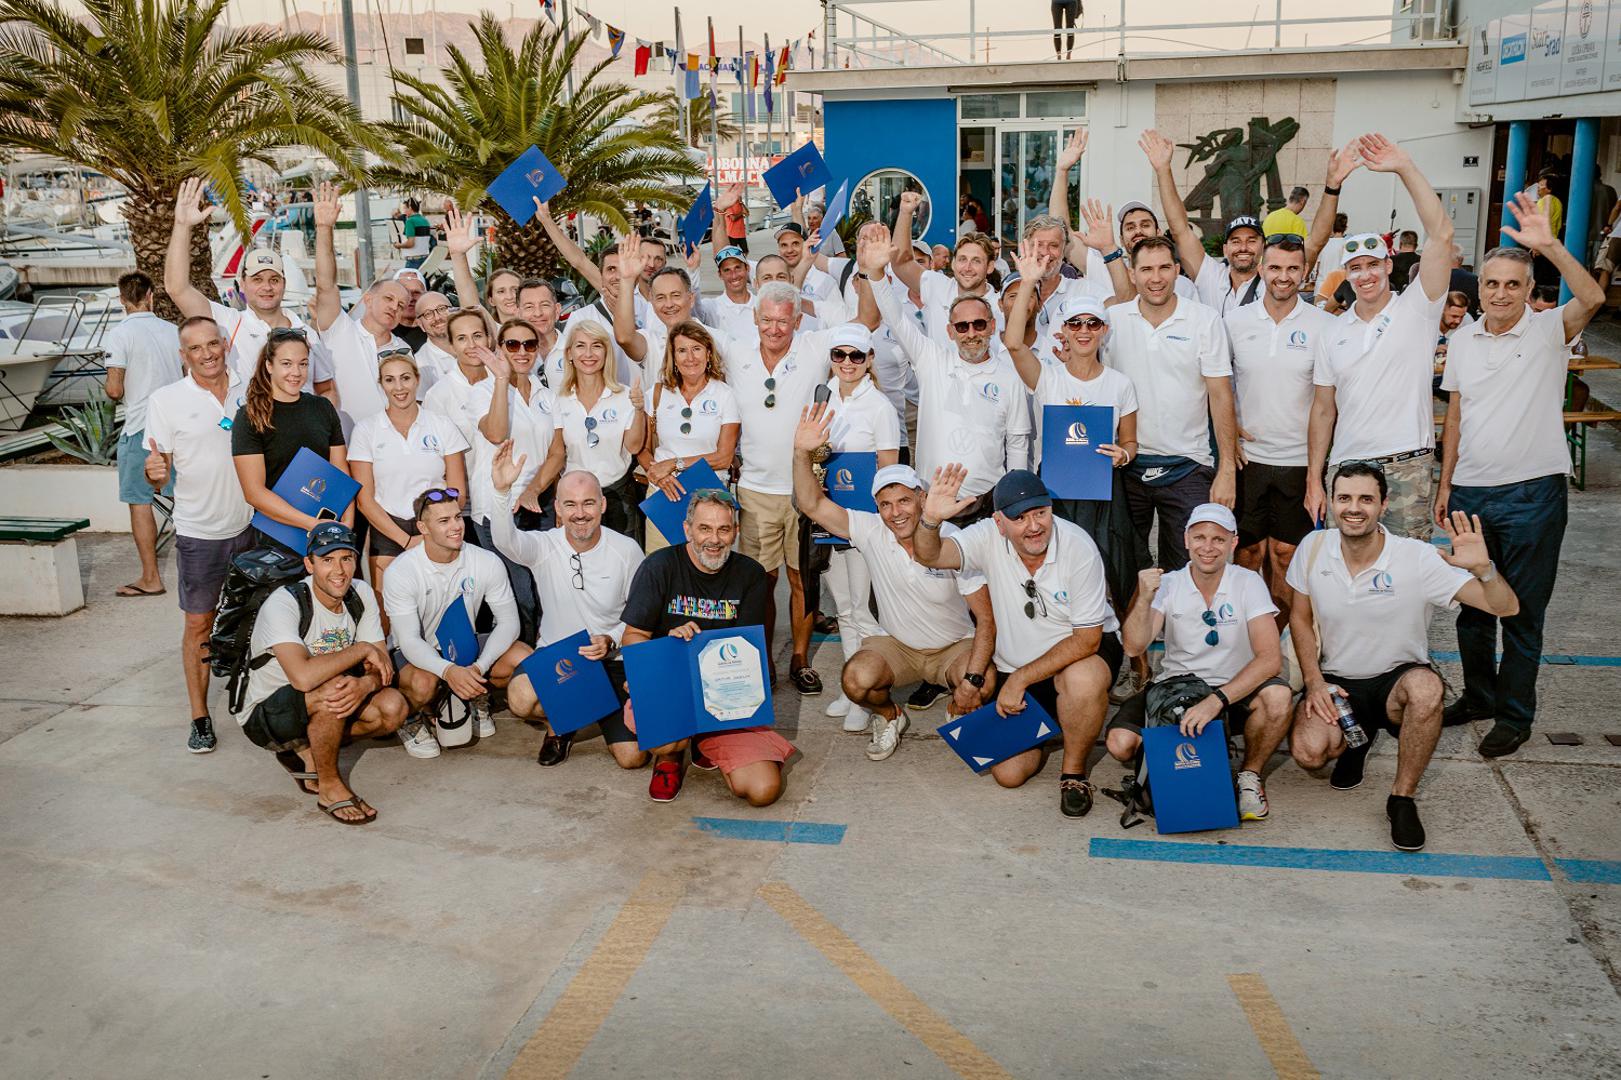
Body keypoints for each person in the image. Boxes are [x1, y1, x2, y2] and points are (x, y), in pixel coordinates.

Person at [1434, 194, 1605, 758]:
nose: (1501, 293)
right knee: (1473, 607)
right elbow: (1456, 416)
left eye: (1513, 284)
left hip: (1534, 493)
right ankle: (1479, 696)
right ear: (1479, 287)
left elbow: (1593, 297)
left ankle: (1514, 715)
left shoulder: (1549, 329)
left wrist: (1549, 245)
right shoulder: (1462, 338)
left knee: (1524, 613)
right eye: (1492, 284)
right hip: (1471, 492)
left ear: (1529, 290)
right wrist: (1446, 484)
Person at [1286, 463, 1519, 851]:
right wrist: (1314, 682)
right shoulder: (1313, 547)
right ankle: (1357, 742)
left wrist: (1485, 569)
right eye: (1344, 498)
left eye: (1366, 499)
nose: (1354, 508)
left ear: (1384, 504)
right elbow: (1299, 617)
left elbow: (1505, 607)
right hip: (1339, 683)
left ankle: (1402, 798)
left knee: (1427, 689)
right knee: (1309, 754)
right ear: (1331, 502)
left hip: (1396, 681)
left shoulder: (1417, 558)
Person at [913, 467, 1122, 814]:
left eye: (1040, 512)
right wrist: (931, 520)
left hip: (1079, 654)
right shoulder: (985, 536)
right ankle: (1061, 722)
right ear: (999, 523)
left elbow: (1086, 640)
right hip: (1018, 665)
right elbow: (930, 555)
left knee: (1081, 681)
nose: (1034, 525)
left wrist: (1021, 679)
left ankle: (1074, 773)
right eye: (1019, 518)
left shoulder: (1078, 547)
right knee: (1008, 775)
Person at [794, 419, 995, 758]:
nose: (895, 513)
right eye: (885, 504)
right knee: (855, 680)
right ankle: (890, 716)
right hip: (897, 646)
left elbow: (986, 620)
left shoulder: (953, 541)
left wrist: (971, 683)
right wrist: (801, 453)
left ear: (922, 498)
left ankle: (958, 708)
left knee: (983, 681)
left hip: (953, 647)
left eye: (904, 501)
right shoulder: (871, 530)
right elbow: (812, 504)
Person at [1307, 133, 1453, 541]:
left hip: (1407, 465)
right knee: (1346, 569)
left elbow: (1441, 234)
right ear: (1346, 275)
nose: (1365, 275)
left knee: (1407, 568)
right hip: (1347, 468)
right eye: (1356, 268)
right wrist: (1314, 478)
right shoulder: (1332, 330)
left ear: (1389, 265)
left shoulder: (1418, 308)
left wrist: (1404, 167)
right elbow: (1323, 411)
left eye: (1373, 264)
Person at [1113, 504, 1290, 821]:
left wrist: (1216, 700)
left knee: (1278, 697)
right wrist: (1143, 598)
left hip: (1233, 689)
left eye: (1218, 539)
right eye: (1200, 537)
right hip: (1177, 687)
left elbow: (1269, 659)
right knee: (1120, 744)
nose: (1208, 547)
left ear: (1233, 543)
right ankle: (1175, 763)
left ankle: (1249, 775)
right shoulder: (1169, 583)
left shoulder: (1247, 581)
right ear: (1186, 540)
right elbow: (1133, 645)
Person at [620, 490, 794, 805]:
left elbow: (749, 651)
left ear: (735, 532)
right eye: (704, 528)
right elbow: (633, 636)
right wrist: (667, 647)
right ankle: (670, 758)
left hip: (723, 694)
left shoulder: (751, 575)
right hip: (671, 685)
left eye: (723, 529)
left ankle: (705, 737)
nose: (714, 539)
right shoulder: (659, 566)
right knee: (666, 741)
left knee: (763, 790)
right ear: (687, 529)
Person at [238, 522, 408, 825]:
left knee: (392, 707)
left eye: (346, 558)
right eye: (327, 560)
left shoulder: (361, 593)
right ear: (309, 564)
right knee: (333, 689)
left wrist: (366, 684)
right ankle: (329, 786)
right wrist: (360, 650)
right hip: (267, 712)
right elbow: (303, 678)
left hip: (322, 696)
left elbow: (382, 665)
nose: (339, 570)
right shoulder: (286, 602)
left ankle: (307, 749)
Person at [861, 224, 1031, 525]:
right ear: (950, 331)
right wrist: (875, 274)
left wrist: (1013, 503)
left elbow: (1017, 446)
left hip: (988, 504)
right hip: (931, 500)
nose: (971, 333)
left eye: (979, 325)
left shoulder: (1010, 377)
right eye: (962, 326)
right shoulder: (931, 360)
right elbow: (896, 320)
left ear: (992, 327)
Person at [730, 279, 852, 694]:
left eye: (783, 321)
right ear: (755, 318)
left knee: (803, 580)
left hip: (805, 491)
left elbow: (862, 324)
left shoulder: (815, 347)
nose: (774, 328)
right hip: (755, 492)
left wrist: (868, 274)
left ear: (798, 321)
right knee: (760, 583)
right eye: (767, 319)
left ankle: (799, 659)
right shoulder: (736, 352)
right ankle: (763, 660)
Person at [490, 446, 647, 768]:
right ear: (558, 509)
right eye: (571, 504)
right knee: (520, 699)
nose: (580, 513)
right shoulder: (544, 545)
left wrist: (611, 639)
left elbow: (642, 613)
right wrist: (502, 492)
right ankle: (560, 725)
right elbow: (506, 541)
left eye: (588, 503)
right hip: (560, 656)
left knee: (633, 758)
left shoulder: (627, 550)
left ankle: (593, 707)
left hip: (612, 659)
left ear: (602, 505)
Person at [143, 315, 254, 753]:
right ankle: (199, 717)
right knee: (198, 624)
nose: (207, 354)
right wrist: (155, 473)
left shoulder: (250, 388)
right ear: (182, 355)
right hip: (200, 533)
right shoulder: (166, 400)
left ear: (224, 344)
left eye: (212, 343)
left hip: (254, 525)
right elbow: (158, 472)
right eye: (195, 348)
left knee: (257, 618)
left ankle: (258, 704)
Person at [1004, 255, 1138, 612]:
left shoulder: (1120, 384)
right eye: (1075, 323)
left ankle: (1113, 634)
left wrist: (1123, 455)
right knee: (1058, 567)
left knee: (1108, 568)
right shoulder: (1048, 379)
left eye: (1092, 323)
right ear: (1063, 331)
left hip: (1103, 491)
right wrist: (1028, 281)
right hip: (1057, 491)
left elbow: (1130, 441)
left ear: (1103, 330)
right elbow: (1014, 344)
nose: (1083, 330)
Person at [1101, 235, 1238, 570]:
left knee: (1188, 571)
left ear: (1177, 270)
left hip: (1188, 465)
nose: (1156, 277)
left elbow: (1221, 395)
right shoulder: (1111, 321)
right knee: (1125, 572)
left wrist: (1226, 470)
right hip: (1127, 464)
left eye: (1164, 267)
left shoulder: (1205, 320)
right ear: (1132, 273)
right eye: (1146, 269)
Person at [798, 325, 902, 734]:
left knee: (863, 609)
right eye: (838, 355)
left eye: (855, 356)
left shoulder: (880, 407)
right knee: (843, 607)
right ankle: (850, 684)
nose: (846, 363)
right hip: (828, 517)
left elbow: (889, 471)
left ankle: (867, 691)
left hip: (864, 521)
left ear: (869, 359)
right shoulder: (821, 397)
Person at [1225, 233, 1335, 617]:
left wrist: (1316, 475)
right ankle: (1248, 638)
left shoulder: (1324, 326)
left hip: (1298, 463)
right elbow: (1215, 384)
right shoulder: (1234, 322)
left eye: (1292, 268)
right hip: (1247, 461)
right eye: (1275, 267)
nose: (1283, 276)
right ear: (1261, 269)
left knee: (1287, 556)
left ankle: (1278, 643)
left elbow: (1326, 405)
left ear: (1305, 272)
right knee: (1248, 554)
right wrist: (1228, 427)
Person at [384, 486, 534, 760]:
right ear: (423, 527)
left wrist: (479, 667)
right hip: (418, 654)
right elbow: (409, 640)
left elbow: (509, 622)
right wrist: (448, 671)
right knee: (422, 684)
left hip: (465, 648)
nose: (456, 526)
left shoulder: (486, 561)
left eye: (457, 517)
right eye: (444, 521)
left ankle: (474, 696)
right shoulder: (401, 571)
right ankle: (412, 718)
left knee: (523, 657)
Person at [165, 177, 335, 395]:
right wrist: (182, 225)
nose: (267, 287)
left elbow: (326, 389)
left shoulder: (307, 333)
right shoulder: (228, 323)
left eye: (274, 280)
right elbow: (177, 288)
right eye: (257, 279)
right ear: (242, 285)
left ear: (283, 285)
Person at [347, 353, 469, 605]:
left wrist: (434, 531)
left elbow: (458, 491)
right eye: (390, 380)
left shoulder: (441, 425)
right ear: (381, 384)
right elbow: (364, 501)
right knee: (388, 608)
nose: (399, 387)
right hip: (388, 529)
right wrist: (406, 540)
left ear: (417, 380)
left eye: (405, 378)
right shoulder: (366, 430)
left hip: (437, 526)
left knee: (443, 604)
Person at [231, 330, 352, 551]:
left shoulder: (322, 408)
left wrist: (347, 523)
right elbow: (254, 492)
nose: (296, 372)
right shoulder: (250, 417)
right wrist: (312, 524)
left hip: (327, 534)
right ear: (269, 365)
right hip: (278, 538)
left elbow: (341, 471)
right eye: (286, 364)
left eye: (303, 364)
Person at [525, 320, 646, 538]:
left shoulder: (625, 396)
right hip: (574, 500)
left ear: (606, 353)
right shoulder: (557, 400)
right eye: (580, 346)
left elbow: (634, 447)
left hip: (618, 496)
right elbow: (556, 455)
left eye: (596, 346)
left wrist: (638, 410)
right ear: (569, 353)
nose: (588, 354)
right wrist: (559, 502)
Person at [473, 317, 554, 642]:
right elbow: (495, 433)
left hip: (540, 503)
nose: (522, 351)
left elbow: (557, 451)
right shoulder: (483, 390)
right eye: (512, 344)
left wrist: (535, 490)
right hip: (499, 507)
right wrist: (501, 380)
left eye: (529, 344)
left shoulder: (546, 394)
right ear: (500, 348)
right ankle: (518, 664)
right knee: (520, 598)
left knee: (546, 594)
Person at [103, 270, 182, 598]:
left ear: (122, 300)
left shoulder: (120, 334)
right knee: (188, 498)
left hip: (141, 430)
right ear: (151, 296)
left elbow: (114, 389)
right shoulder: (173, 331)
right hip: (178, 428)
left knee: (140, 501)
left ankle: (151, 578)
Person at [311, 181, 411, 437]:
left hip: (391, 445)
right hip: (344, 443)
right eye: (389, 298)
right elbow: (325, 284)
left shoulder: (404, 350)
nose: (394, 307)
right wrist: (324, 228)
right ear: (367, 299)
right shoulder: (340, 330)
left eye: (401, 305)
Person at [635, 321, 742, 551]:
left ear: (708, 353)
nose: (690, 358)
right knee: (661, 565)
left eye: (697, 349)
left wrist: (675, 464)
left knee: (706, 564)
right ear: (673, 357)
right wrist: (659, 476)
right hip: (664, 494)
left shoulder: (725, 395)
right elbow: (641, 449)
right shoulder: (656, 393)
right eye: (682, 350)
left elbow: (724, 457)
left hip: (709, 496)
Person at [888, 192, 1001, 346]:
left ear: (990, 267)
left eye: (976, 261)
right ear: (953, 264)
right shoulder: (937, 286)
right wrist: (906, 212)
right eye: (962, 259)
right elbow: (901, 263)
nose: (967, 268)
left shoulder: (1001, 307)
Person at [700, 243, 757, 343]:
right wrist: (692, 270)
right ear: (720, 274)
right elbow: (690, 312)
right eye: (727, 270)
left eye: (737, 268)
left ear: (747, 268)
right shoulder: (711, 307)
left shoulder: (762, 304)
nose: (734, 275)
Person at [412, 291, 455, 388]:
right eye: (428, 314)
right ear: (420, 324)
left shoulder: (476, 343)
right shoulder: (419, 366)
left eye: (442, 309)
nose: (437, 317)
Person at [389, 267, 429, 352]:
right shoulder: (383, 331)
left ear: (425, 296)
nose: (410, 298)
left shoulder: (435, 329)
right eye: (404, 292)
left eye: (416, 293)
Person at [393, 197, 432, 269]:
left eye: (405, 208)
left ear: (410, 208)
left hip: (413, 260)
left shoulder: (410, 221)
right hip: (425, 259)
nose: (404, 211)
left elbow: (410, 243)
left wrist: (399, 245)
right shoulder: (425, 220)